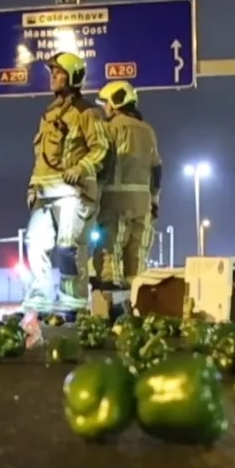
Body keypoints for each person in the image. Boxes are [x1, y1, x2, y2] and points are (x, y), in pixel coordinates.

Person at [22, 51, 109, 319]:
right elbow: (41, 157)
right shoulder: (48, 114)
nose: (53, 78)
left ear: (73, 77)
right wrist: (32, 186)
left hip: (73, 193)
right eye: (53, 73)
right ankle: (40, 301)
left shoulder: (88, 112)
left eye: (59, 73)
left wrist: (80, 167)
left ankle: (72, 304)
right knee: (34, 243)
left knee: (68, 248)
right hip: (45, 193)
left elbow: (100, 148)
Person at [92, 80, 161, 309]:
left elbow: (100, 164)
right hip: (143, 206)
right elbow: (157, 170)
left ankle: (109, 313)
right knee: (137, 262)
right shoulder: (148, 130)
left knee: (109, 260)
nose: (105, 108)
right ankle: (138, 310)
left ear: (115, 102)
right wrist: (154, 201)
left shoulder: (109, 128)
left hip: (114, 205)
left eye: (106, 103)